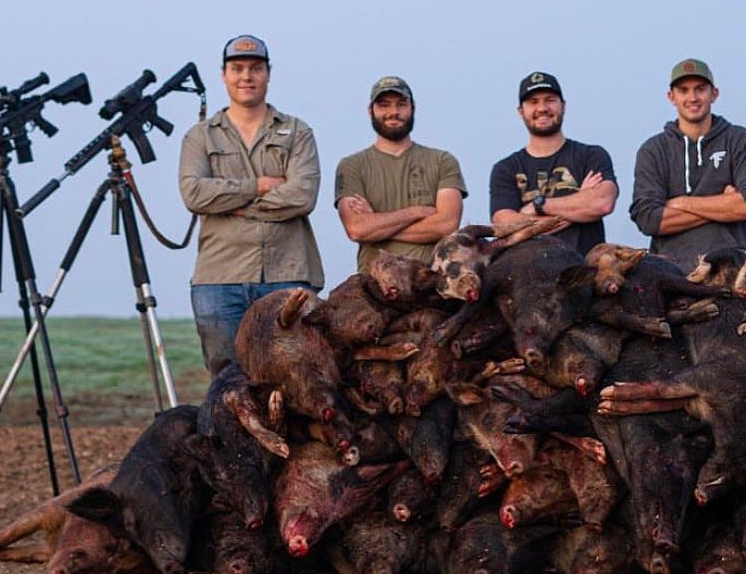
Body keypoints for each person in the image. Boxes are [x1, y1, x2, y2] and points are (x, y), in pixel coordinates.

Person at [178, 34, 325, 374]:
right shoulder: (200, 136)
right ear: (223, 75)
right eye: (238, 68)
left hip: (288, 272)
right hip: (220, 277)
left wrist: (235, 206)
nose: (247, 76)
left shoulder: (297, 132)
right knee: (228, 379)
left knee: (296, 374)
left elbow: (302, 195)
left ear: (268, 74)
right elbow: (194, 194)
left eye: (255, 68)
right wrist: (257, 186)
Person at [630, 58, 746, 267]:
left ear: (714, 94)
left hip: (735, 266)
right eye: (684, 90)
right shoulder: (653, 150)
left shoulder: (739, 139)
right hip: (671, 270)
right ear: (672, 97)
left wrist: (682, 203)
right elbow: (649, 219)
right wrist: (724, 206)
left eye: (700, 89)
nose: (692, 97)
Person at [334, 76, 467, 270]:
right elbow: (357, 229)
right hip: (375, 285)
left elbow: (446, 225)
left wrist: (378, 223)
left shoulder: (443, 161)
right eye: (384, 105)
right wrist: (416, 212)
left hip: (431, 280)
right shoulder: (352, 166)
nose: (393, 112)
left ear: (413, 108)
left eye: (401, 104)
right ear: (370, 111)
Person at [489, 71, 617, 255]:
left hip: (584, 270)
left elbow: (602, 203)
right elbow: (503, 224)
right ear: (521, 111)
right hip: (526, 272)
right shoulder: (506, 168)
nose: (542, 108)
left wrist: (537, 206)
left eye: (549, 100)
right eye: (533, 102)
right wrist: (578, 202)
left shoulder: (591, 155)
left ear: (563, 106)